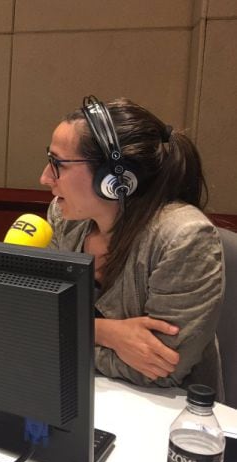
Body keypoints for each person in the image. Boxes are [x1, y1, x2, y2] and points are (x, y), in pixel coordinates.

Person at [40, 96, 224, 399]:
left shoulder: (185, 237)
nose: (45, 177)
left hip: (163, 410)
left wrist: (68, 334)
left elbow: (158, 369)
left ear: (114, 178)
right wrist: (106, 332)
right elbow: (37, 319)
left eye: (57, 164)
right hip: (79, 394)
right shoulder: (63, 220)